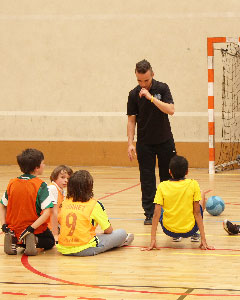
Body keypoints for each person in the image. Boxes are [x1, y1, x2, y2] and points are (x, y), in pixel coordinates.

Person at [127, 59, 176, 225]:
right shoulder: (133, 94)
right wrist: (130, 143)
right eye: (139, 81)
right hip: (144, 143)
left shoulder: (162, 88)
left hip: (165, 141)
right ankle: (150, 213)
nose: (143, 84)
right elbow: (131, 120)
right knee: (147, 179)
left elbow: (171, 110)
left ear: (152, 75)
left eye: (146, 80)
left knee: (166, 178)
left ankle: (168, 212)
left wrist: (151, 98)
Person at [56, 170, 134, 256]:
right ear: (89, 187)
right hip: (84, 248)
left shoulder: (64, 203)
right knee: (121, 233)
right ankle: (119, 242)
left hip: (63, 249)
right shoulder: (94, 204)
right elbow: (108, 230)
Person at [144, 155, 213, 250]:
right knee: (202, 194)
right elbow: (197, 213)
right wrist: (204, 240)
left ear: (169, 171)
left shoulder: (162, 186)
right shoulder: (193, 184)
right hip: (190, 230)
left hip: (168, 230)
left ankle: (176, 235)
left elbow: (156, 214)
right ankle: (195, 234)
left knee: (160, 207)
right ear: (187, 171)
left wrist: (153, 240)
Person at [0, 148, 55, 256]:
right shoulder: (40, 185)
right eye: (43, 163)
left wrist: (3, 225)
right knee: (50, 241)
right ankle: (34, 240)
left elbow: (2, 205)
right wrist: (31, 228)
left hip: (14, 229)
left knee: (21, 236)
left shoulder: (12, 183)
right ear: (37, 168)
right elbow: (47, 212)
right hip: (32, 229)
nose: (44, 165)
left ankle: (14, 241)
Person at [47, 165, 73, 240]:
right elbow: (53, 213)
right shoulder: (52, 188)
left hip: (56, 224)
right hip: (49, 226)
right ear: (54, 177)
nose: (66, 180)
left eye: (68, 178)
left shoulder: (61, 190)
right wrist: (55, 234)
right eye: (62, 177)